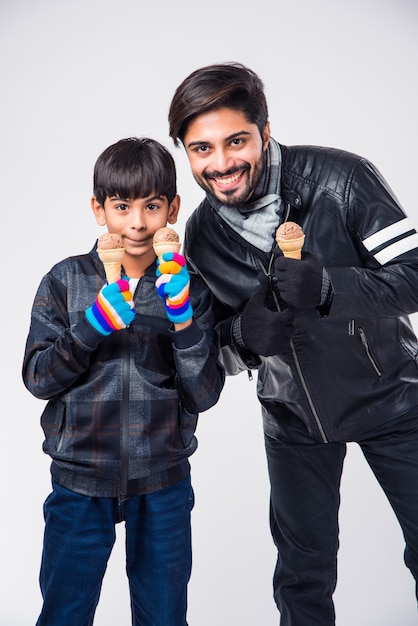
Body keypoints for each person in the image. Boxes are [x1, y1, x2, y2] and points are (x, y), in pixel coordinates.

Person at [168, 62, 418, 624]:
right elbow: (216, 347)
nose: (222, 164)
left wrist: (333, 287)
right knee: (302, 575)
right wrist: (242, 335)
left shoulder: (344, 179)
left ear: (265, 130)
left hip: (395, 400)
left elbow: (416, 274)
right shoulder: (202, 235)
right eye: (201, 149)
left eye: (236, 141)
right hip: (292, 418)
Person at [22, 137, 225, 626]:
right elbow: (37, 378)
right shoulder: (65, 281)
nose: (137, 222)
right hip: (79, 480)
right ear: (99, 209)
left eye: (152, 206)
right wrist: (88, 328)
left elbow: (204, 393)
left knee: (163, 615)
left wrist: (183, 324)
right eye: (122, 206)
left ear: (173, 209)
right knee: (65, 613)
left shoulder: (189, 289)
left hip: (164, 482)